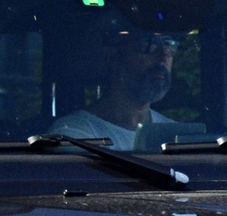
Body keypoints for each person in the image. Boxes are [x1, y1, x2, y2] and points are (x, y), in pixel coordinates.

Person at [46, 21, 182, 149]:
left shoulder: (175, 135)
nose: (163, 57)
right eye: (148, 45)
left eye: (169, 44)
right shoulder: (73, 134)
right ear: (112, 56)